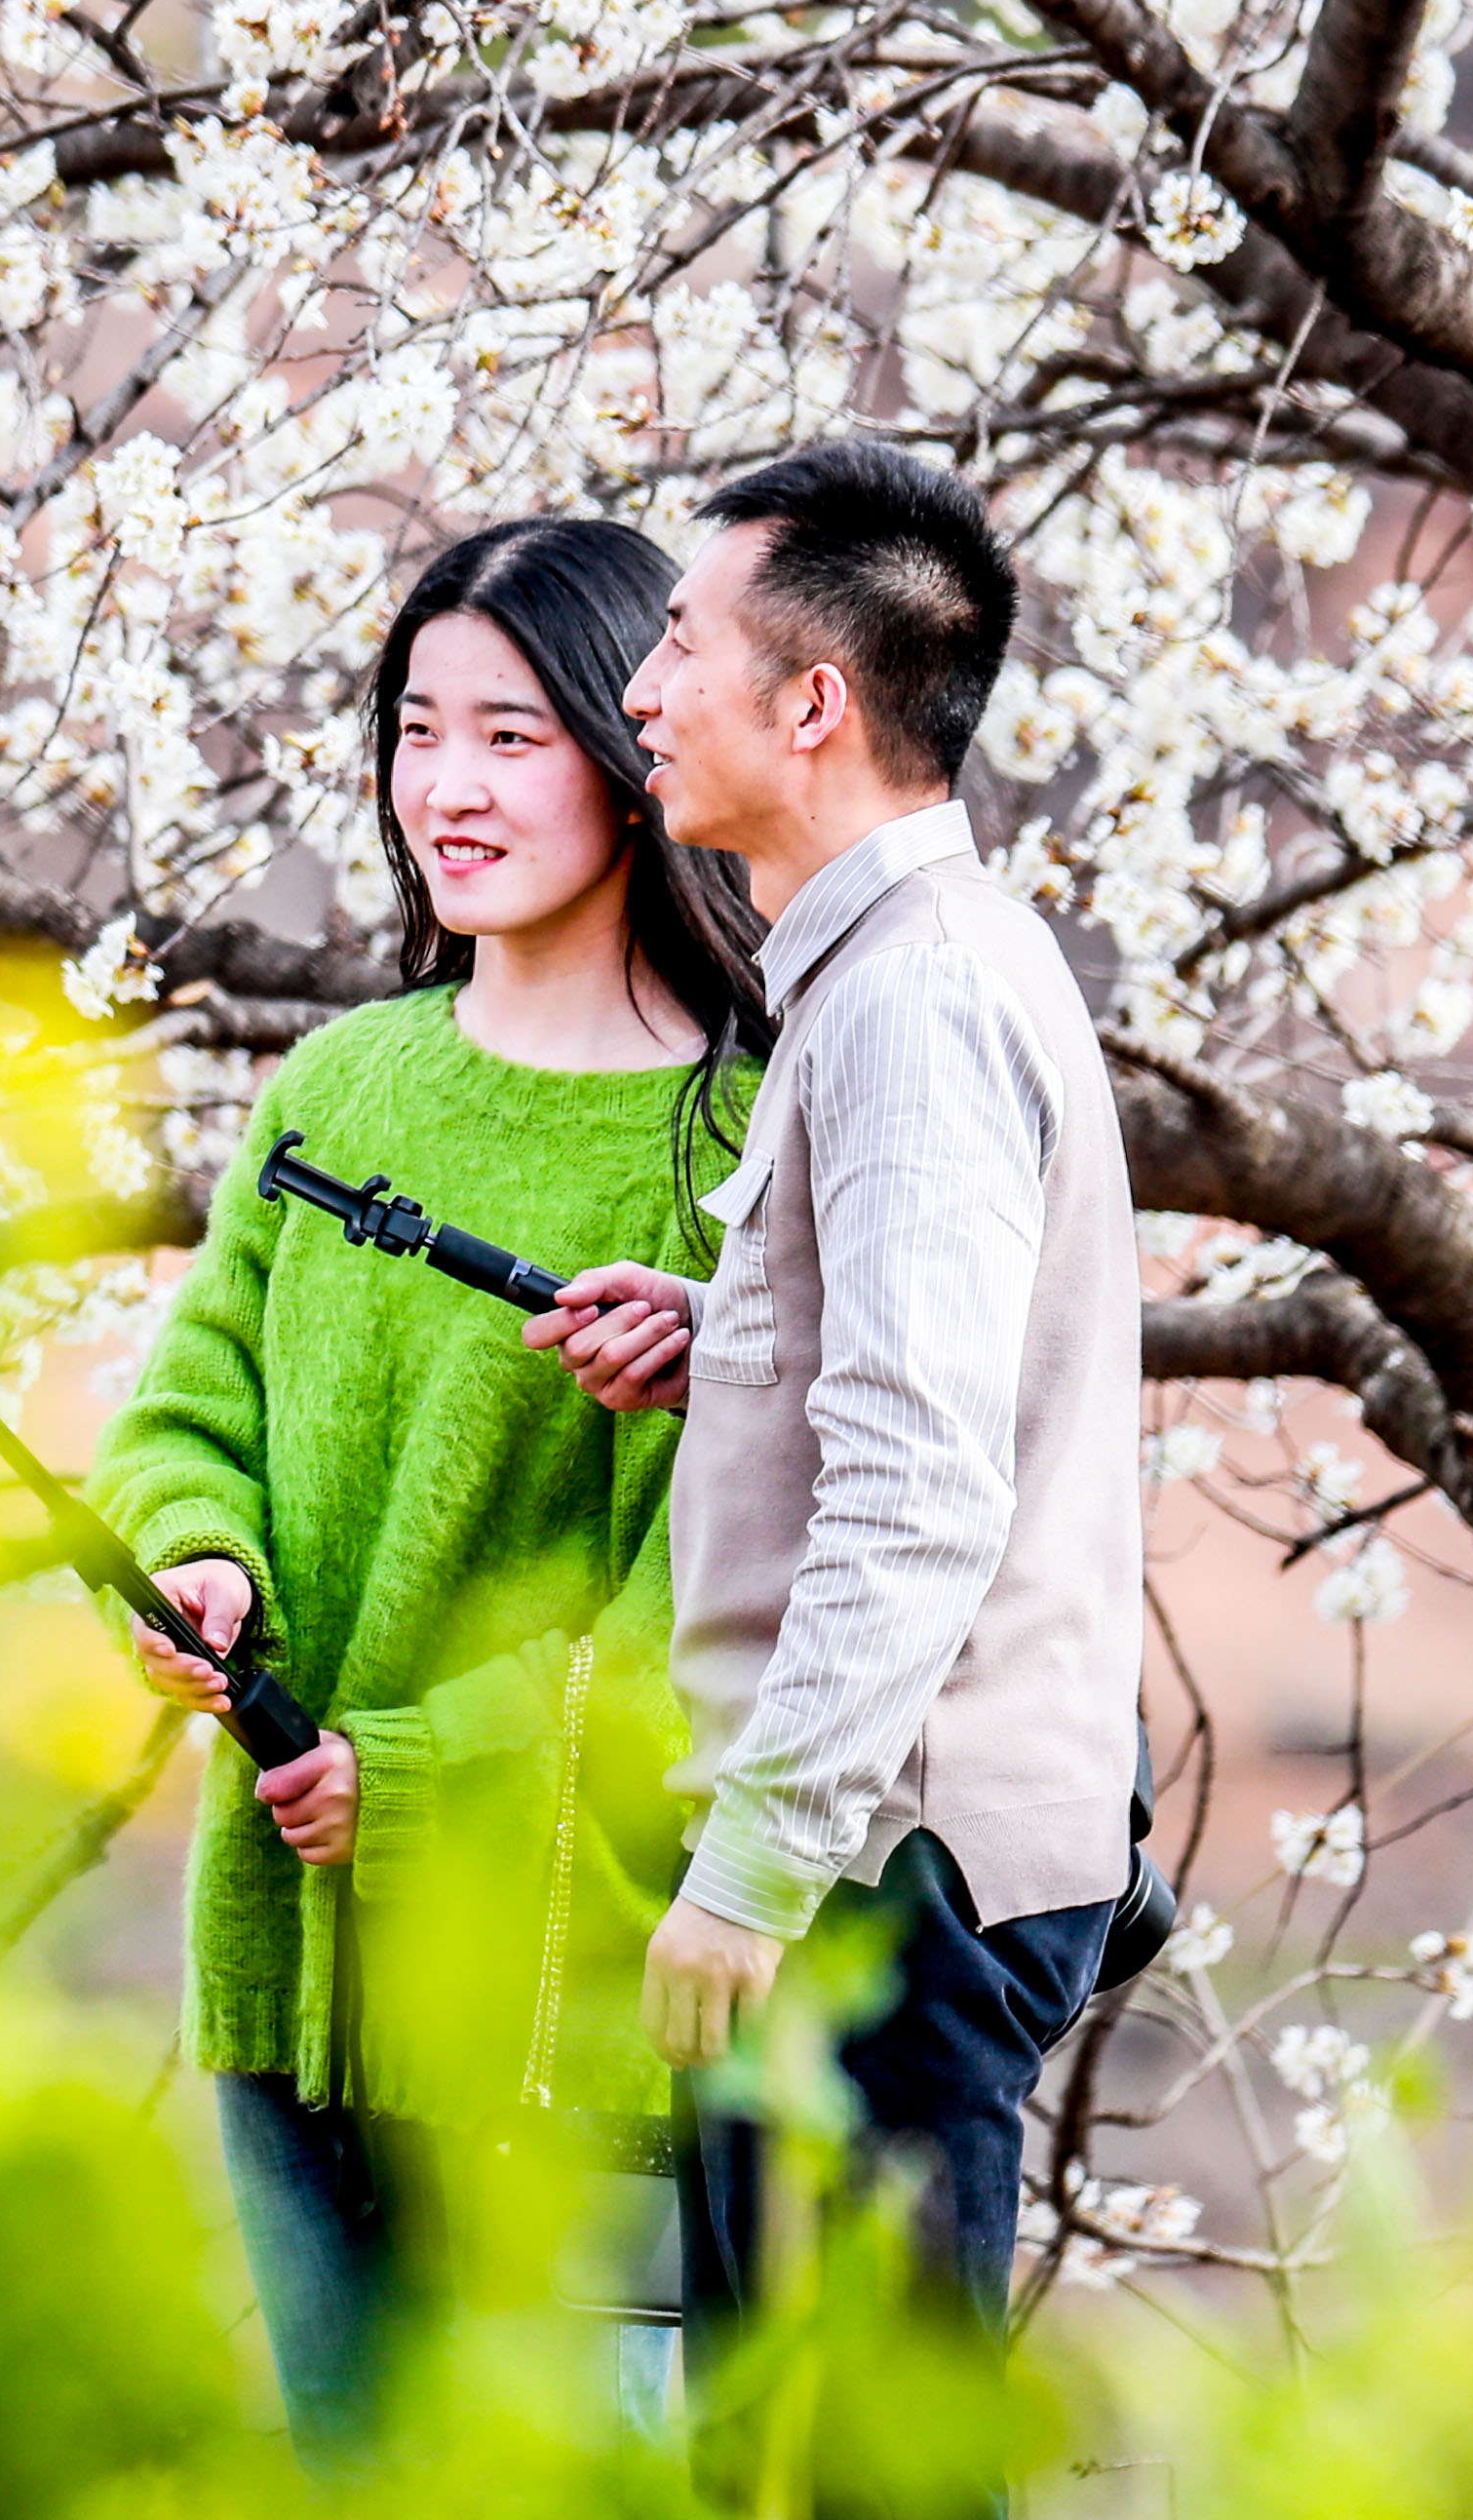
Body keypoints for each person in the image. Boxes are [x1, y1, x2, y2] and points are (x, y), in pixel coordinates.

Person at [89, 518, 757, 2473]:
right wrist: (193, 1561)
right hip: (286, 1955)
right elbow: (190, 1401)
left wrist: (423, 1771)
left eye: (515, 736)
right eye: (418, 731)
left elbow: (719, 1616)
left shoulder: (739, 1140)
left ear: (641, 755)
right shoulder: (339, 1090)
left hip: (551, 1985)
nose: (447, 790)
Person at [535, 440, 1146, 2353]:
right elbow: (917, 1372)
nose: (639, 691)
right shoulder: (897, 971)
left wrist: (750, 1870)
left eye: (683, 643)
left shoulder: (911, 1006)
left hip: (886, 1871)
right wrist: (734, 1336)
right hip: (887, 1857)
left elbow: (921, 1493)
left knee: (841, 2466)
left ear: (814, 701)